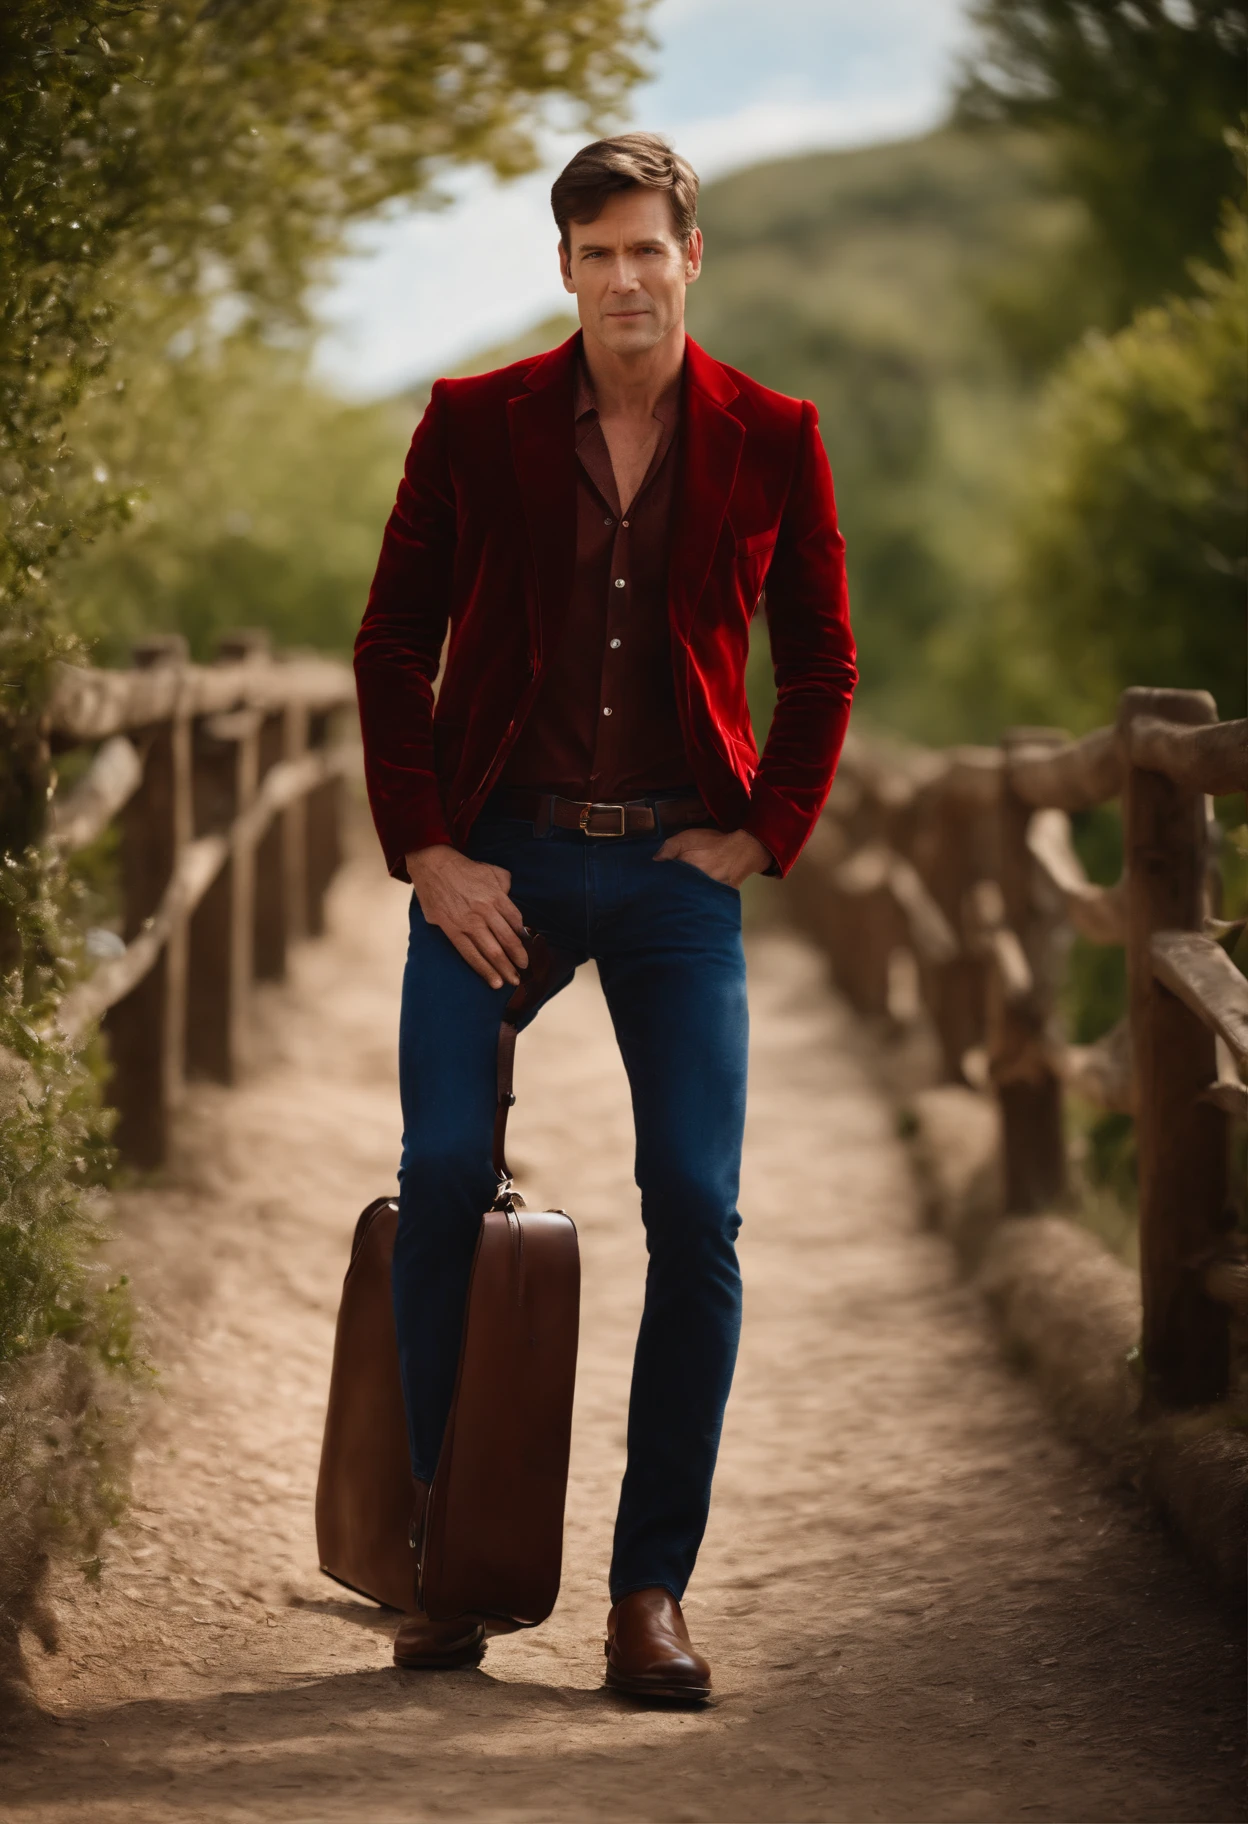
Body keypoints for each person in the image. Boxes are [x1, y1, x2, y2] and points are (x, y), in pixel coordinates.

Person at [354, 132, 856, 1702]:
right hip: (494, 862)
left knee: (696, 1212)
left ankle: (652, 1595)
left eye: (650, 250)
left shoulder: (775, 435)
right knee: (443, 1165)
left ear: (691, 256)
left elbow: (824, 660)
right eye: (597, 255)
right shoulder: (475, 422)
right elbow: (391, 644)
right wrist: (430, 849)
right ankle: (439, 1560)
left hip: (668, 878)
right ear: (563, 269)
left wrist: (766, 831)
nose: (626, 280)